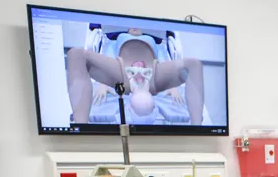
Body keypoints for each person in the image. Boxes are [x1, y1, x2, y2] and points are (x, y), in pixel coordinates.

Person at [66, 28, 205, 125]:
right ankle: (80, 128)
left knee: (194, 64)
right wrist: (103, 81)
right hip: (130, 73)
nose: (135, 28)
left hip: (146, 74)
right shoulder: (121, 39)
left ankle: (198, 132)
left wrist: (173, 85)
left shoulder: (145, 41)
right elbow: (108, 57)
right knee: (76, 54)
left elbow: (163, 60)